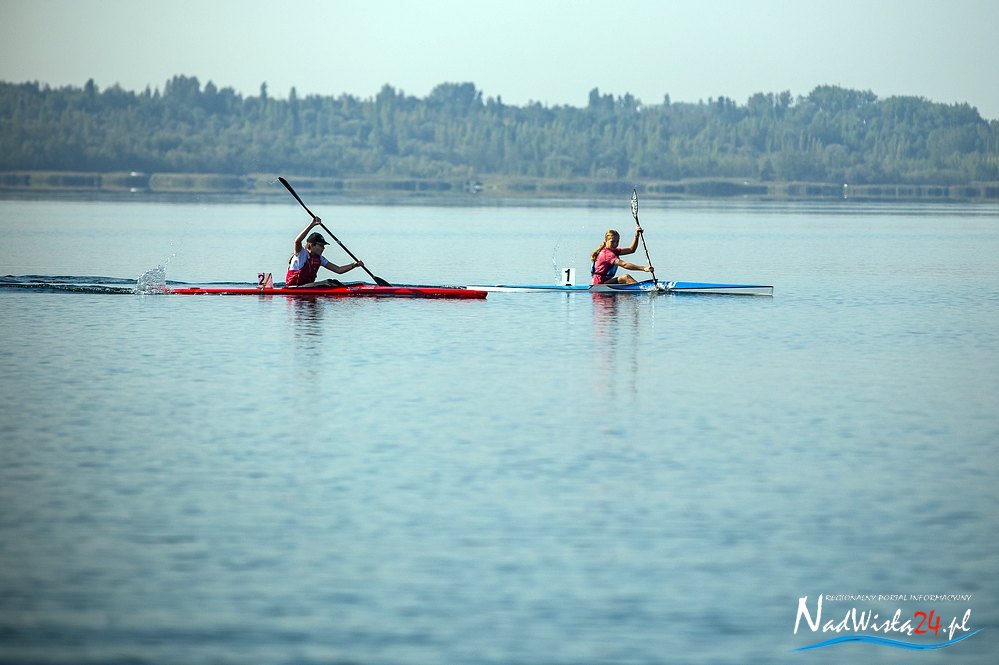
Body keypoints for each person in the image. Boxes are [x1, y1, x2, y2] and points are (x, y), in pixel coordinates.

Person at [285, 217, 365, 287]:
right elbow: (297, 241)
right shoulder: (301, 254)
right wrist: (312, 225)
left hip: (306, 288)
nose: (323, 248)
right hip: (294, 287)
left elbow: (338, 270)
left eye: (323, 246)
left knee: (333, 282)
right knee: (329, 282)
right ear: (311, 245)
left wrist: (354, 265)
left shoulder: (320, 259)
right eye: (321, 245)